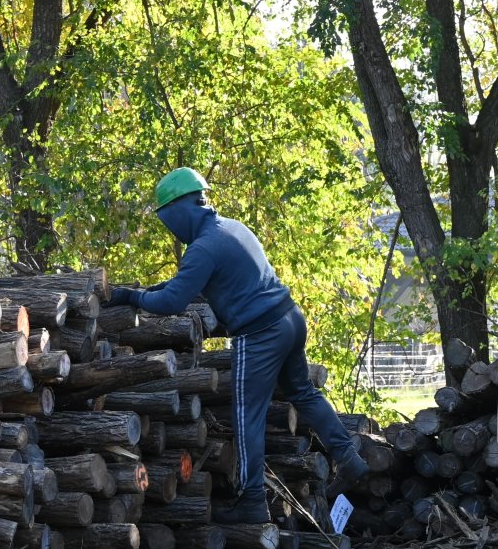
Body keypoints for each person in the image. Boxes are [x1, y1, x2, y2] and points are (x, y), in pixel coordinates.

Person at [110, 167, 367, 525]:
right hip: (290, 319)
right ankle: (349, 458)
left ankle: (252, 501)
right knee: (303, 393)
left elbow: (172, 301)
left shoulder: (202, 247)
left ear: (178, 210)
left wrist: (131, 297)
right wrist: (151, 289)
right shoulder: (231, 228)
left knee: (247, 416)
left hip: (261, 334)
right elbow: (188, 283)